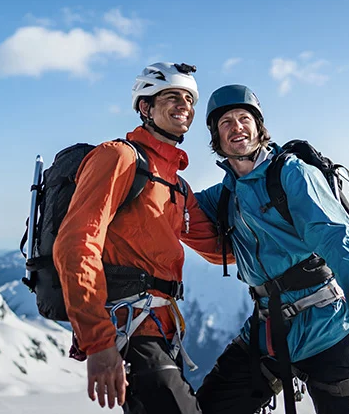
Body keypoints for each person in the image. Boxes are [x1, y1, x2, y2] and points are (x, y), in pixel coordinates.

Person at [194, 84, 349, 414]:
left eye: (244, 118)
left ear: (259, 127)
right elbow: (168, 207)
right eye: (226, 122)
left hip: (328, 329)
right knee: (208, 407)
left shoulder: (291, 175)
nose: (236, 127)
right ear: (216, 137)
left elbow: (335, 238)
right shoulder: (224, 196)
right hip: (269, 331)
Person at [52, 62, 229, 412]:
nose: (185, 106)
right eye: (171, 97)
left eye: (189, 99)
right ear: (145, 107)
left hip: (163, 332)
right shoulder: (118, 158)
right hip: (127, 327)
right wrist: (99, 342)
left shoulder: (177, 184)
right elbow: (76, 245)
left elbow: (219, 249)